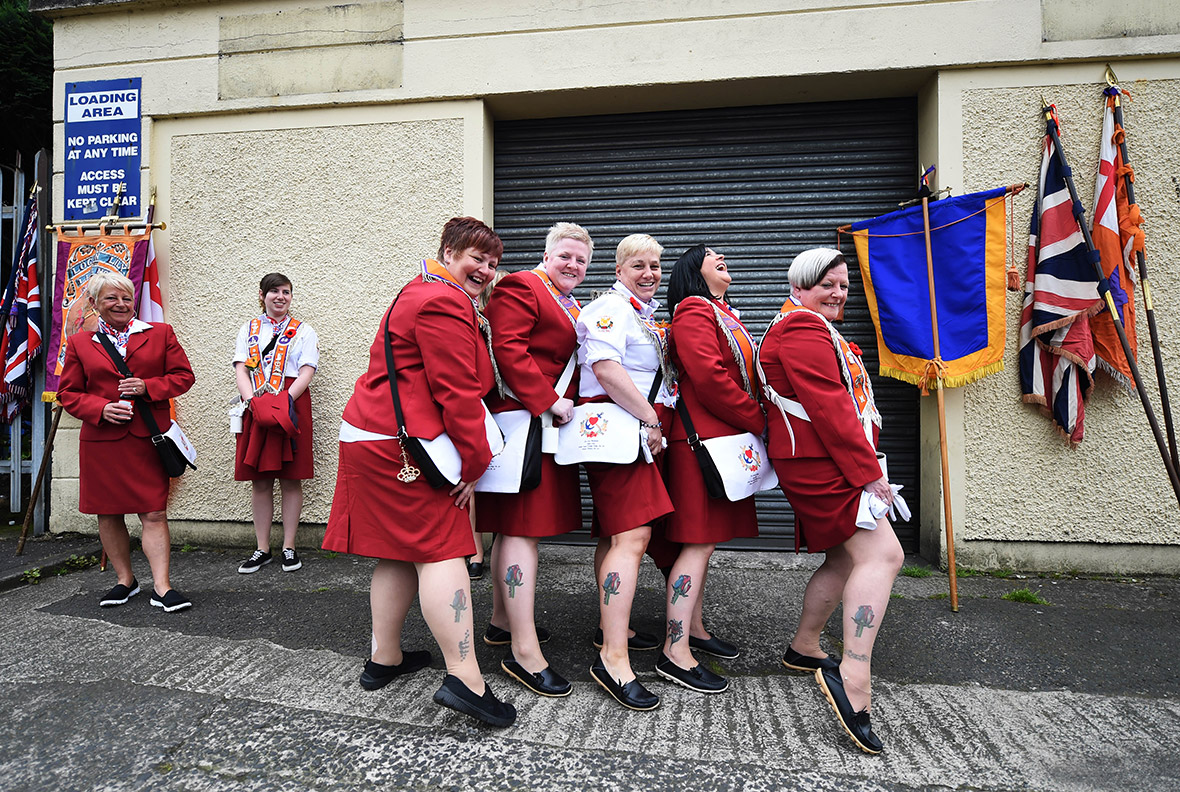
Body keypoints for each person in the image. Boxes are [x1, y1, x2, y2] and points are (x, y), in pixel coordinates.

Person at [321, 217, 515, 728]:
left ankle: (384, 658)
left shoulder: (419, 290)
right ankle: (466, 679)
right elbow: (457, 391)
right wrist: (475, 462)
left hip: (373, 435)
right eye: (477, 258)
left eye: (493, 263)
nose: (486, 270)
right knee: (442, 550)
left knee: (396, 551)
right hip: (406, 447)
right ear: (448, 252)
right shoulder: (444, 301)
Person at [759, 247, 904, 754]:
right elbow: (829, 406)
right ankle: (853, 676)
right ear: (799, 287)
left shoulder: (806, 325)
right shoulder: (802, 328)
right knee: (884, 555)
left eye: (843, 285)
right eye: (828, 285)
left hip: (820, 459)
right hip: (822, 464)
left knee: (845, 558)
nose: (839, 293)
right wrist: (868, 474)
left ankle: (804, 647)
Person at [479, 222, 591, 698]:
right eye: (565, 255)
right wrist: (548, 400)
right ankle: (523, 652)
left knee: (515, 530)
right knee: (521, 530)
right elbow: (507, 350)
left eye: (582, 260)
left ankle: (502, 622)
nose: (573, 265)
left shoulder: (569, 303)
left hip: (544, 427)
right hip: (527, 423)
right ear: (546, 256)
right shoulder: (523, 286)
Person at [658, 245, 766, 694]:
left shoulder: (719, 311)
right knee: (697, 544)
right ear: (693, 270)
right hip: (700, 444)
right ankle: (674, 651)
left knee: (704, 545)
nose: (722, 255)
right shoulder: (693, 311)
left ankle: (695, 629)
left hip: (719, 439)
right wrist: (759, 419)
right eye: (710, 254)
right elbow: (710, 378)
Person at [576, 233, 676, 711]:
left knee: (616, 536)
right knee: (632, 538)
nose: (649, 273)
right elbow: (607, 369)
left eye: (655, 266)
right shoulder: (610, 308)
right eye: (638, 265)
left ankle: (609, 628)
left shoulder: (641, 313)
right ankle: (612, 659)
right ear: (619, 271)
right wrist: (651, 419)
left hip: (629, 432)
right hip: (620, 433)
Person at [58, 270, 196, 612]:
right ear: (94, 303)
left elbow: (183, 377)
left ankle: (162, 587)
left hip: (147, 440)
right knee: (108, 514)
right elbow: (68, 393)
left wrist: (148, 387)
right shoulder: (79, 344)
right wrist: (101, 408)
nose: (121, 304)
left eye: (127, 298)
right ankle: (125, 581)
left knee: (154, 512)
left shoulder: (160, 334)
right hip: (102, 442)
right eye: (111, 298)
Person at [232, 273, 319, 575]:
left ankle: (289, 547)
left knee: (291, 478)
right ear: (262, 295)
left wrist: (284, 401)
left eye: (286, 292)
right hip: (256, 405)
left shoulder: (304, 331)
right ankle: (262, 548)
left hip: (291, 404)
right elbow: (242, 368)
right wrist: (252, 402)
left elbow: (307, 370)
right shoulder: (249, 329)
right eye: (274, 291)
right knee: (260, 480)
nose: (281, 297)